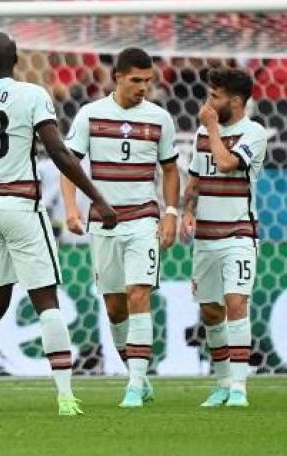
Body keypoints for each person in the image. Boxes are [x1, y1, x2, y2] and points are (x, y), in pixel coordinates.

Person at [0, 13, 116, 417]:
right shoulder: (32, 94)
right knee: (46, 299)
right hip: (21, 207)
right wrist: (95, 197)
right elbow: (59, 152)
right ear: (16, 58)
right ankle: (65, 397)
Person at [60, 47, 180, 408]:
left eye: (148, 81)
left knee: (138, 294)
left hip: (143, 219)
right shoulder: (90, 115)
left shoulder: (160, 118)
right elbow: (69, 165)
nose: (143, 87)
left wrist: (171, 211)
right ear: (118, 78)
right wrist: (71, 209)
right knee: (114, 307)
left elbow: (171, 169)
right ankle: (136, 374)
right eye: (136, 80)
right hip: (103, 223)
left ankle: (135, 384)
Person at [181, 68, 267, 408]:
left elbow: (227, 162)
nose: (208, 102)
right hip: (206, 237)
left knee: (236, 303)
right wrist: (187, 211)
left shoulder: (254, 133)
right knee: (211, 312)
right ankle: (222, 382)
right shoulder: (204, 131)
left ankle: (239, 389)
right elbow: (195, 180)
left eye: (215, 96)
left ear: (235, 100)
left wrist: (213, 127)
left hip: (238, 234)